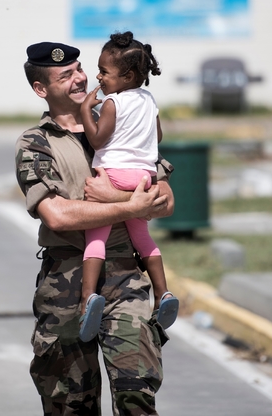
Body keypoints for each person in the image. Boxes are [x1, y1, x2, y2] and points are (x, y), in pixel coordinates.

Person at [15, 41, 175, 415]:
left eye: (79, 70)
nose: (80, 79)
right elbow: (56, 215)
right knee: (72, 404)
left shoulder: (124, 119)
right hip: (65, 285)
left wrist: (122, 201)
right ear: (42, 88)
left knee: (137, 396)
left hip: (126, 278)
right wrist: (128, 204)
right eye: (65, 75)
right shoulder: (36, 143)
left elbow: (165, 202)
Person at [78, 31, 179, 342]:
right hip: (144, 178)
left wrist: (86, 111)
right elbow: (157, 137)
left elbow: (97, 139)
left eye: (104, 71)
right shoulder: (149, 100)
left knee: (96, 237)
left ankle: (87, 299)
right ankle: (162, 294)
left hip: (113, 176)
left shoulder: (112, 103)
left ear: (128, 75)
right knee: (143, 237)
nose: (98, 76)